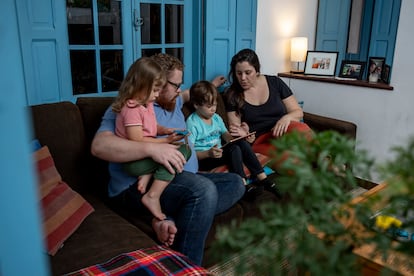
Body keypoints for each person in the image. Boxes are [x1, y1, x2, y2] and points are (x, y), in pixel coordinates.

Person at [91, 53, 245, 266]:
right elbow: (99, 147)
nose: (180, 91)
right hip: (136, 185)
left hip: (178, 177)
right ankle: (184, 268)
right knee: (203, 191)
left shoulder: (175, 99)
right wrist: (154, 149)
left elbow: (194, 93)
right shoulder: (132, 106)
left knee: (236, 183)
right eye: (174, 85)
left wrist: (215, 85)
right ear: (157, 83)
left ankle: (166, 218)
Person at [112, 57, 191, 221]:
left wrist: (165, 130)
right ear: (141, 85)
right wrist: (165, 142)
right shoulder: (131, 108)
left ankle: (148, 174)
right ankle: (152, 196)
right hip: (133, 160)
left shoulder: (146, 104)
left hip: (145, 156)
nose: (157, 94)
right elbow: (137, 141)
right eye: (155, 90)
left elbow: (151, 126)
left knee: (181, 149)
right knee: (180, 151)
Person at [186, 80, 282, 199]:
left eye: (215, 105)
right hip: (205, 158)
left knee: (239, 143)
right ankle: (243, 185)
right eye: (209, 106)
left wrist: (238, 139)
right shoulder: (192, 123)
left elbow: (225, 134)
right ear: (196, 105)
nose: (213, 109)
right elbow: (189, 152)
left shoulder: (216, 118)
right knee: (234, 149)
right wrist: (208, 153)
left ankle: (263, 178)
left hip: (219, 152)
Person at [224, 48, 313, 167]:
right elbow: (235, 131)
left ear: (257, 70)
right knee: (288, 159)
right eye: (239, 73)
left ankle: (331, 164)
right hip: (259, 140)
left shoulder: (275, 82)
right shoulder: (232, 94)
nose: (243, 78)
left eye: (248, 72)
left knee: (303, 129)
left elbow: (298, 112)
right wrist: (244, 133)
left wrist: (286, 118)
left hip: (283, 132)